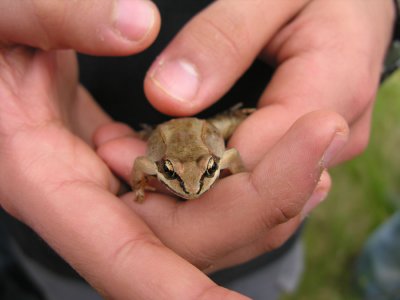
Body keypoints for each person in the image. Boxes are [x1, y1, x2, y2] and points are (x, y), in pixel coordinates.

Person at [0, 0, 397, 299]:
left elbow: (233, 156)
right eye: (172, 176)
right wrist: (143, 182)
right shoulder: (159, 165)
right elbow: (142, 160)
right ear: (166, 170)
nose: (191, 188)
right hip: (50, 210)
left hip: (228, 165)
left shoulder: (217, 158)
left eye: (207, 173)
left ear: (214, 165)